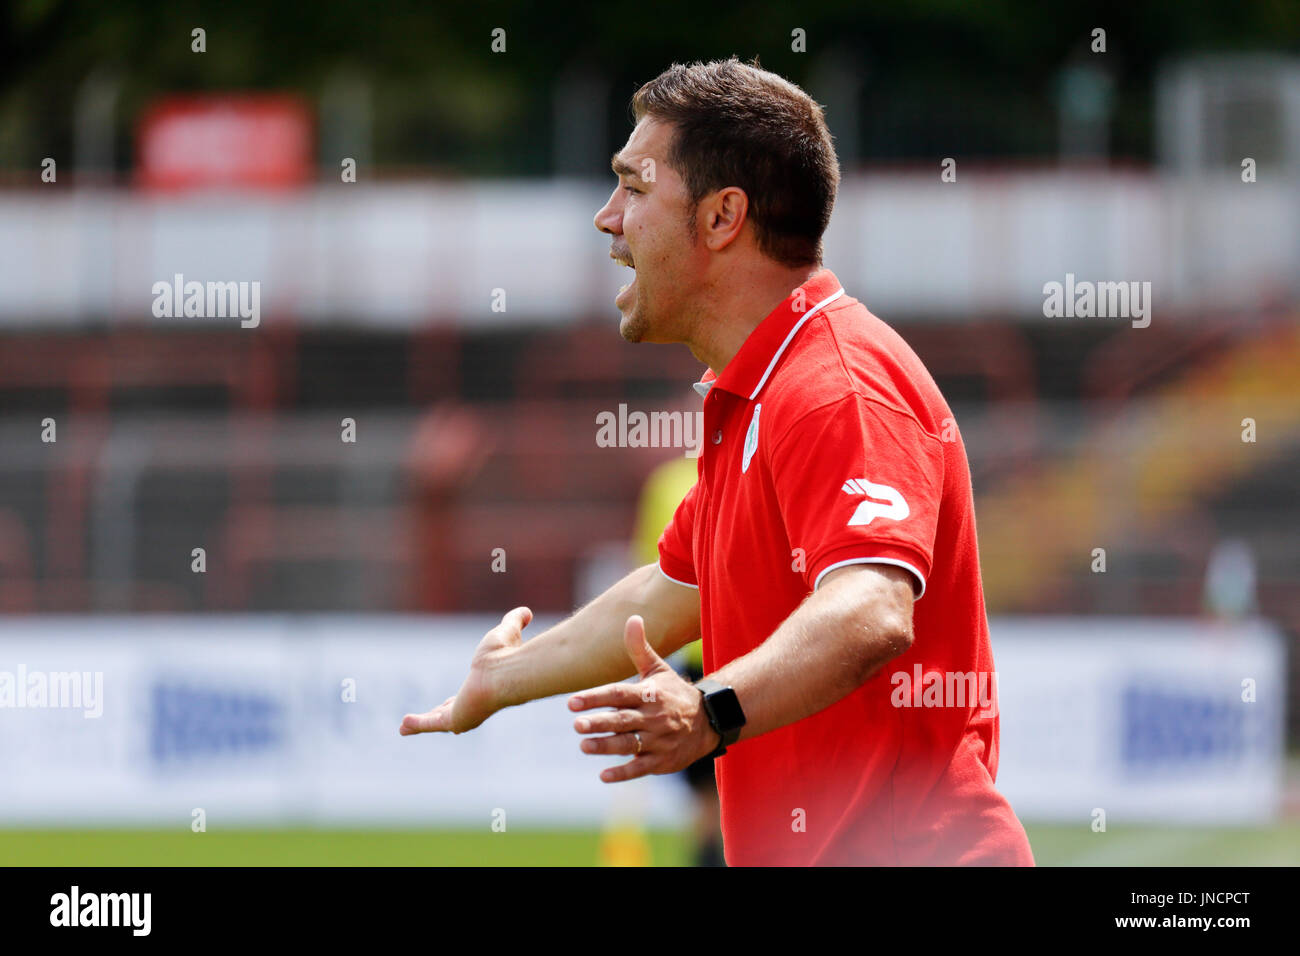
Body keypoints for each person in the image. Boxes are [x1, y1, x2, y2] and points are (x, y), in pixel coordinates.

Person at [402, 57, 1034, 866]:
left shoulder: (837, 383)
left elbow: (871, 611)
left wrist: (708, 712)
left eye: (633, 186)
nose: (608, 218)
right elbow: (671, 592)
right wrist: (506, 678)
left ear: (722, 216)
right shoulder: (761, 394)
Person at [631, 454, 723, 866]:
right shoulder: (670, 483)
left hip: (716, 665)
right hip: (713, 665)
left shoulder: (670, 481)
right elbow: (651, 570)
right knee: (715, 801)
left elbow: (647, 572)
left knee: (714, 803)